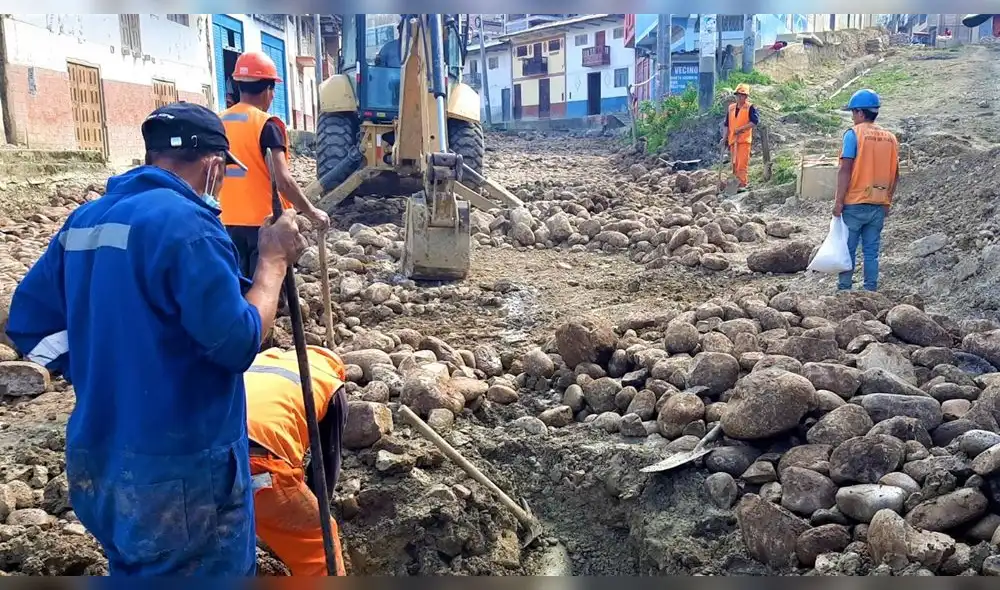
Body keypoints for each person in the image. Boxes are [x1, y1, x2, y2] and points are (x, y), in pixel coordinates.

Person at [4, 102, 308, 576]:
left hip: (100, 458)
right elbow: (237, 342)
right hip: (180, 471)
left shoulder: (84, 221)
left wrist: (96, 367)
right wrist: (272, 263)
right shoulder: (190, 226)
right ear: (212, 166)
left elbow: (29, 324)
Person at [219, 51, 330, 280]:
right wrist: (312, 212)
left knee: (237, 288)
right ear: (268, 90)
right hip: (266, 225)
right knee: (267, 290)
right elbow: (283, 182)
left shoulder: (218, 122)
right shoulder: (266, 125)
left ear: (239, 85)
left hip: (225, 222)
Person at [246, 346, 349, 576]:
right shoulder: (331, 384)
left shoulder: (261, 361)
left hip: (203, 459)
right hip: (260, 465)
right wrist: (310, 511)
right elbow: (326, 466)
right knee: (320, 542)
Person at [833, 88, 900, 292]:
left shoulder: (854, 134)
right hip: (878, 203)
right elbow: (895, 174)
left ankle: (844, 289)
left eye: (853, 112)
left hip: (855, 202)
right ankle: (871, 289)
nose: (852, 117)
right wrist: (888, 200)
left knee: (848, 249)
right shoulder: (890, 138)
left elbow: (845, 169)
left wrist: (838, 201)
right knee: (871, 252)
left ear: (861, 113)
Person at [719, 83, 759, 191]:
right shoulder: (731, 108)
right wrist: (724, 138)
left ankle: (742, 184)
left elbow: (754, 122)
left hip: (744, 141)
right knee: (734, 164)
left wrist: (741, 129)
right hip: (733, 140)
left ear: (746, 96)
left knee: (742, 164)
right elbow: (726, 124)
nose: (740, 97)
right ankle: (734, 185)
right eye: (738, 95)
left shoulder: (750, 107)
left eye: (742, 95)